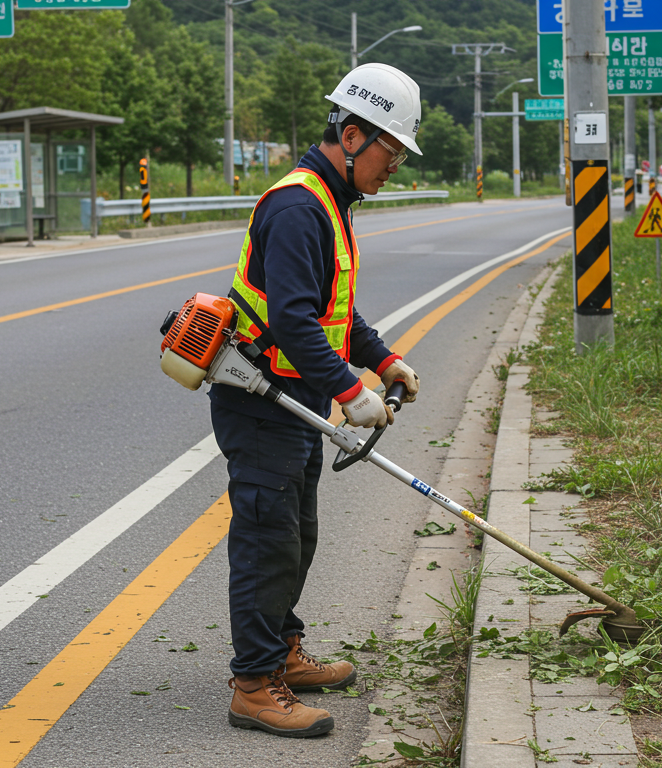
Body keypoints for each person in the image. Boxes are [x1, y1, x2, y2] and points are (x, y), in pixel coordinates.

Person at [212, 62, 423, 739]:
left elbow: (334, 313)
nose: (395, 167)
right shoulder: (299, 207)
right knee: (267, 540)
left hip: (294, 398)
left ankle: (284, 652)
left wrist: (383, 359)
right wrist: (352, 392)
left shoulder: (329, 203)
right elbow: (295, 322)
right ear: (353, 136)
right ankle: (254, 686)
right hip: (260, 399)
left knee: (295, 536)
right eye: (392, 151)